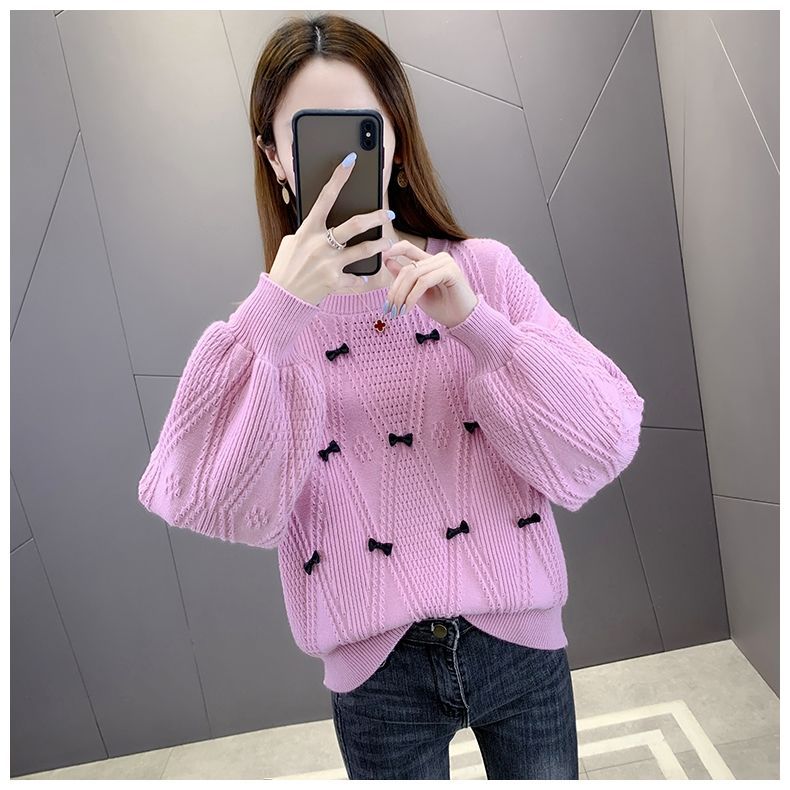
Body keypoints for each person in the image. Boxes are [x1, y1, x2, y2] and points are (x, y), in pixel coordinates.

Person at [138, 13, 645, 781]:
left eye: (362, 130)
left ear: (396, 139)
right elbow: (213, 495)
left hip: (520, 641)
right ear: (274, 156)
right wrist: (276, 314)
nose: (341, 160)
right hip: (377, 678)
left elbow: (601, 436)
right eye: (313, 135)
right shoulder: (271, 331)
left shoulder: (484, 272)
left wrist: (477, 325)